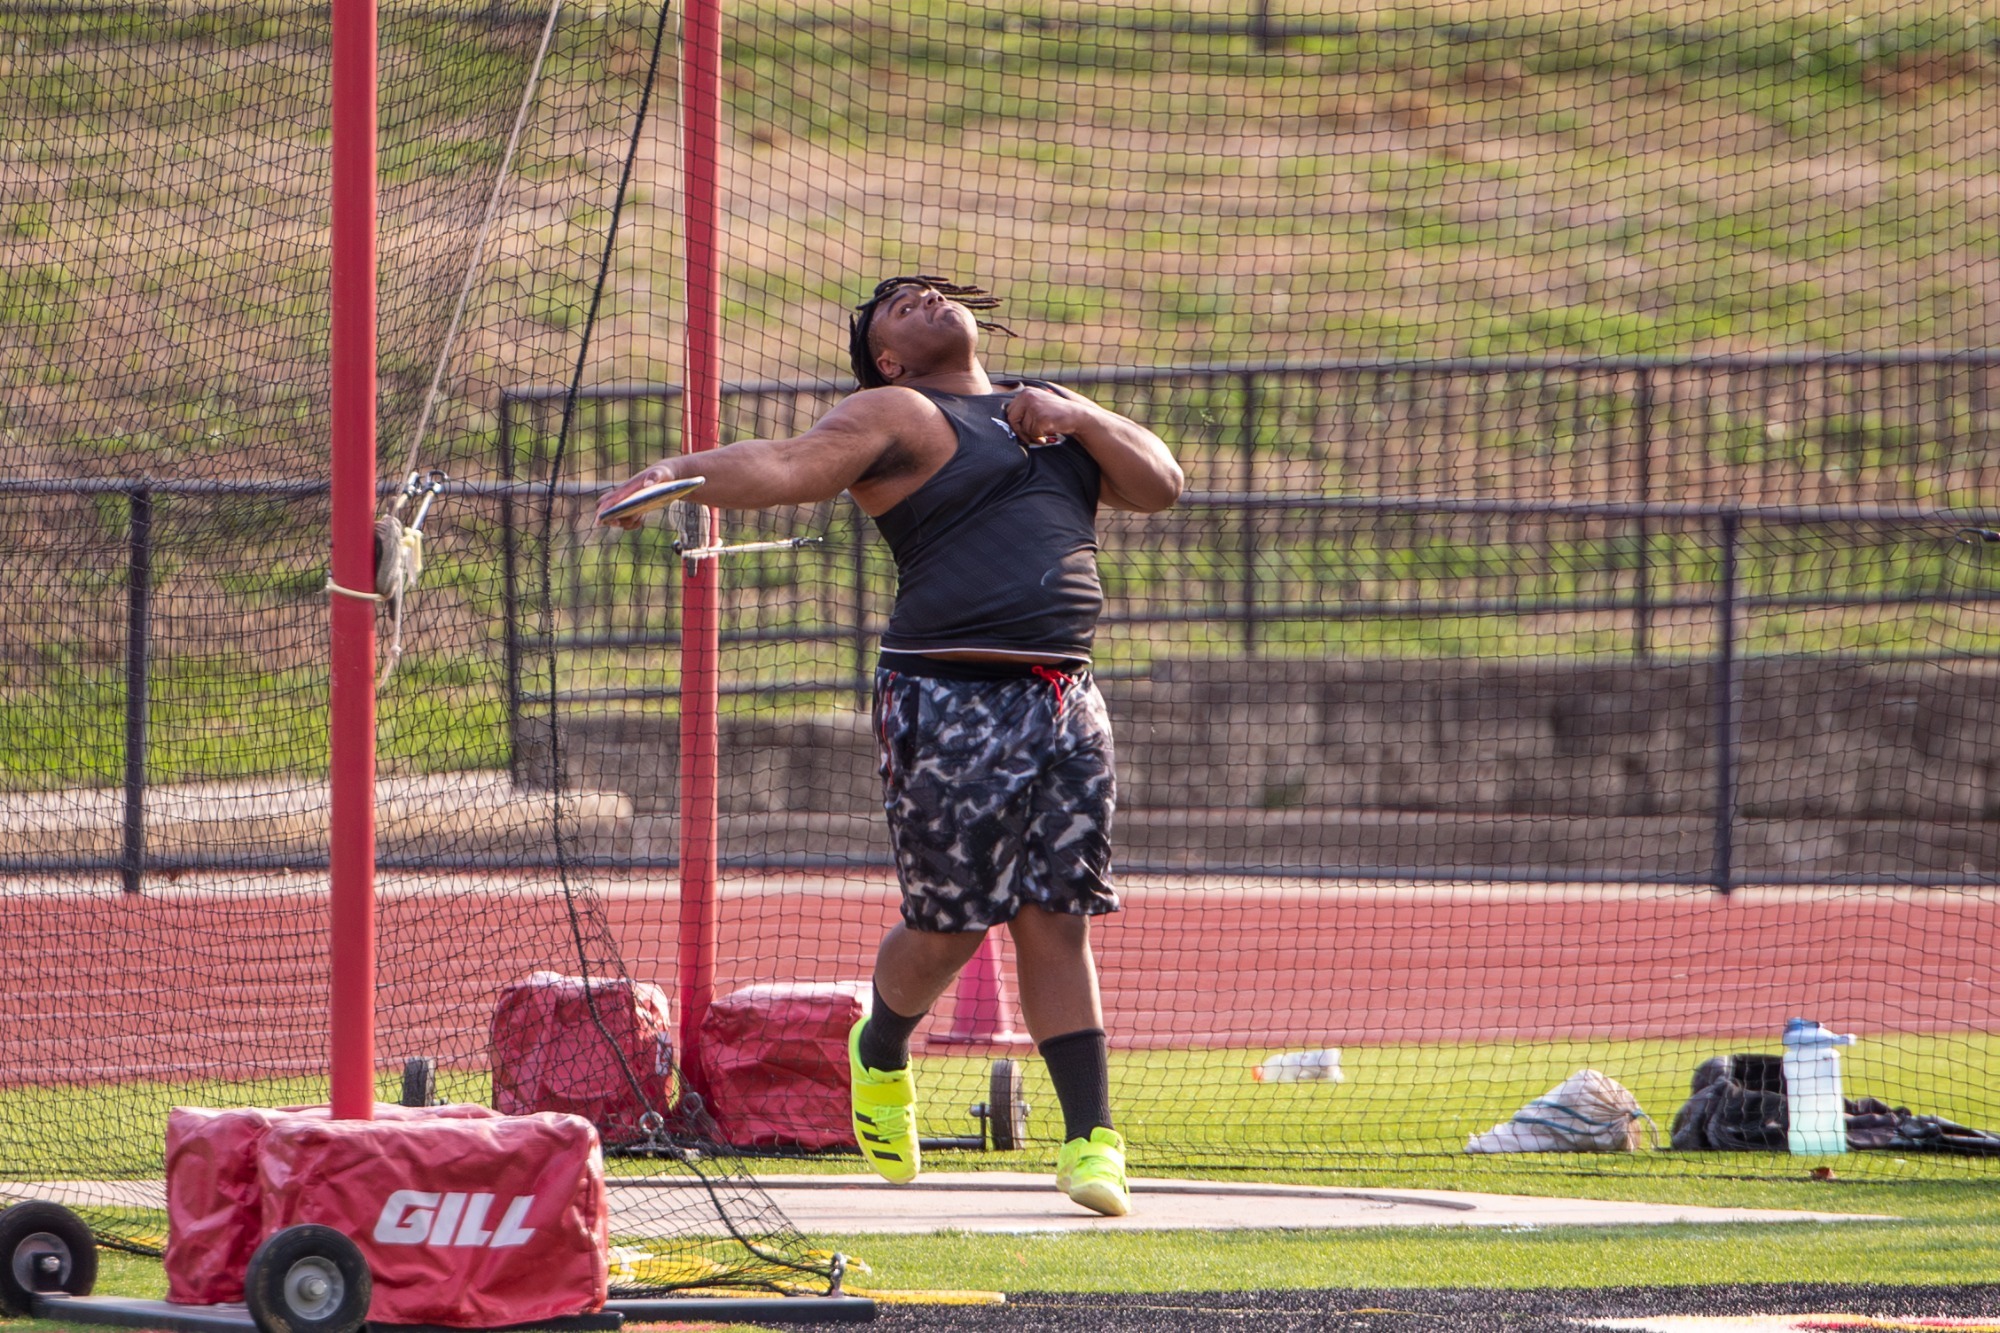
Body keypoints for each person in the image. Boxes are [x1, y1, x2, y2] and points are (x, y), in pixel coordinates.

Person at [596, 275, 1182, 1216]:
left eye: (928, 290)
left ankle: (1091, 1143)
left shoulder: (1049, 413)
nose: (917, 296)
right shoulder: (899, 409)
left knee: (1054, 915)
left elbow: (1160, 483)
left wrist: (1080, 413)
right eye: (894, 307)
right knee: (952, 924)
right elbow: (789, 464)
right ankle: (881, 1044)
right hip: (947, 692)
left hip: (1068, 697)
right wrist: (681, 473)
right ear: (887, 356)